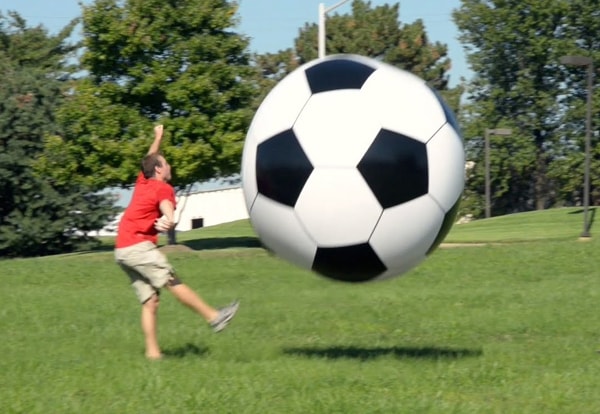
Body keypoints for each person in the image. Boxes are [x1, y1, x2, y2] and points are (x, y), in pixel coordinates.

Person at [114, 124, 239, 360]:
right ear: (159, 169)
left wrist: (158, 137)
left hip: (122, 249)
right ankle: (215, 317)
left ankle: (153, 354)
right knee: (172, 279)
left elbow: (149, 160)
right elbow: (167, 209)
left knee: (150, 301)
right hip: (138, 246)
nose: (170, 166)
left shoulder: (144, 181)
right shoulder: (162, 188)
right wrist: (168, 220)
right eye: (166, 163)